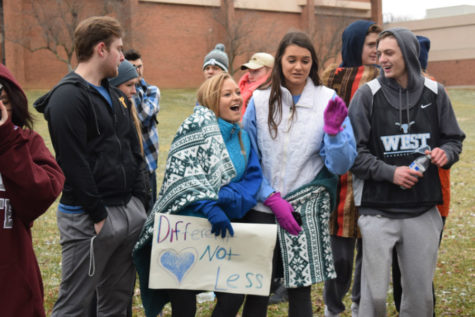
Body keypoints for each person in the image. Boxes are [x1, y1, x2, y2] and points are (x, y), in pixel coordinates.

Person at [34, 16, 150, 316]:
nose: (123, 58)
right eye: (119, 50)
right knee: (75, 305)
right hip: (90, 220)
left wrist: (140, 204)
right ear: (101, 49)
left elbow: (133, 152)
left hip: (128, 213)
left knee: (117, 302)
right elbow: (72, 163)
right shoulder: (67, 97)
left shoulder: (115, 96)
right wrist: (98, 216)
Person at [348, 28, 465, 317]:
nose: (381, 59)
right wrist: (391, 173)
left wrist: (445, 153)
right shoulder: (366, 96)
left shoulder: (436, 93)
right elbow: (353, 155)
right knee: (373, 299)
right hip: (377, 210)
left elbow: (453, 139)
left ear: (409, 54)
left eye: (389, 53)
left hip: (423, 209)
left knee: (420, 299)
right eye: (378, 53)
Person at [241, 31, 357, 317]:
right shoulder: (258, 100)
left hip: (303, 211)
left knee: (300, 290)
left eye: (305, 60)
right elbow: (246, 158)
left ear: (313, 63)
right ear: (279, 61)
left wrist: (334, 133)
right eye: (291, 59)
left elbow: (341, 165)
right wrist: (269, 197)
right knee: (257, 287)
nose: (298, 66)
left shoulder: (327, 99)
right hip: (262, 208)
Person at [133, 73, 263, 317]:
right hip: (184, 232)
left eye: (237, 92)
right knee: (184, 309)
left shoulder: (243, 136)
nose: (237, 97)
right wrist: (208, 204)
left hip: (224, 233)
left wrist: (225, 198)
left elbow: (252, 180)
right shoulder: (192, 128)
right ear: (213, 100)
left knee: (232, 299)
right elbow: (181, 177)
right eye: (227, 94)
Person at [320, 20, 381, 317]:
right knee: (340, 256)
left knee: (369, 252)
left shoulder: (386, 78)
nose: (377, 50)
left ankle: (360, 305)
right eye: (371, 45)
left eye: (379, 45)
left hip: (375, 176)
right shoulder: (331, 79)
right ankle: (333, 306)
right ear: (355, 44)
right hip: (339, 177)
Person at [391, 34, 452, 316]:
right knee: (400, 270)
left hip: (431, 200)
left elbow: (451, 143)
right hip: (393, 201)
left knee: (419, 271)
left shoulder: (434, 96)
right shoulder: (385, 96)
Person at [0, 64, 65, 317]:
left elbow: (41, 194)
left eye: (5, 101)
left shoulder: (24, 142)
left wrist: (6, 140)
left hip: (12, 270)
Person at [124, 49, 160, 209]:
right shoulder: (119, 90)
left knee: (151, 207)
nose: (137, 70)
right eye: (132, 67)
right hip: (129, 162)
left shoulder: (152, 91)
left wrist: (132, 89)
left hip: (149, 160)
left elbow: (143, 116)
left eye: (140, 66)